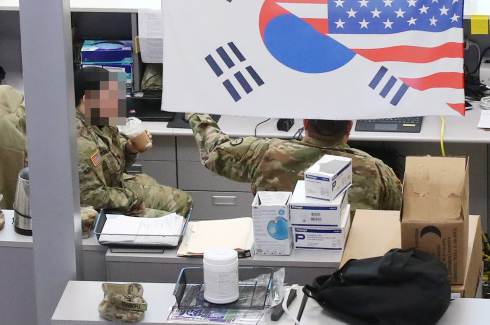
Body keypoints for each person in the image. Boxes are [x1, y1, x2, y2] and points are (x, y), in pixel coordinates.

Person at [186, 113, 403, 210]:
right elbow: (397, 218)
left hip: (279, 256)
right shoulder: (377, 171)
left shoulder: (264, 153)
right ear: (349, 127)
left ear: (306, 122)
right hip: (348, 270)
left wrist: (194, 110)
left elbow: (214, 152)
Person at [76, 66, 192, 217]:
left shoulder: (101, 118)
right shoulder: (80, 141)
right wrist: (133, 199)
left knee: (183, 201)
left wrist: (130, 149)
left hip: (117, 187)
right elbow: (93, 196)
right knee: (171, 221)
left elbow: (117, 164)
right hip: (99, 207)